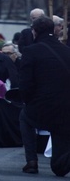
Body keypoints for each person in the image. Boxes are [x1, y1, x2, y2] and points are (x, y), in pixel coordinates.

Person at [19, 16, 70, 176]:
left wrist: (27, 101)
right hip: (66, 109)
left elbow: (26, 84)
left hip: (41, 107)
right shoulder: (67, 51)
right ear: (54, 30)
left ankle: (31, 161)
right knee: (59, 168)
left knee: (24, 118)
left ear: (34, 32)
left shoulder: (30, 51)